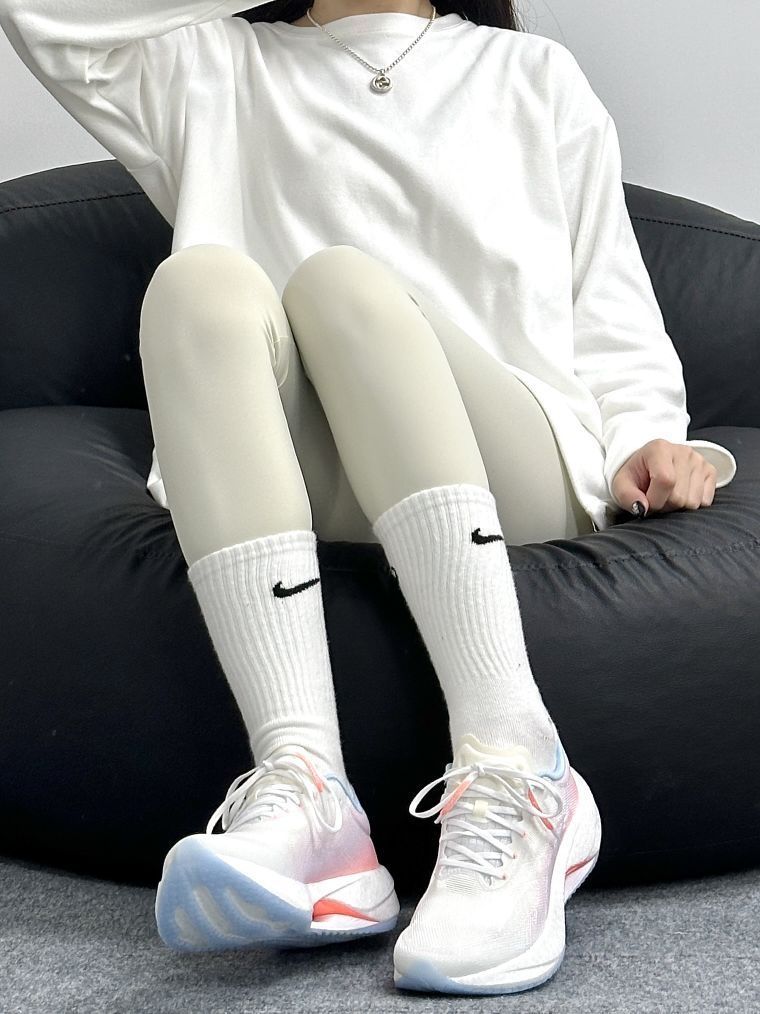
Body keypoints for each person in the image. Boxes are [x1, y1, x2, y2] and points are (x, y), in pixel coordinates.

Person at [0, 0, 738, 996]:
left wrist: (646, 435)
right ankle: (310, 799)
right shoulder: (211, 66)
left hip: (505, 467)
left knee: (341, 284)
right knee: (195, 287)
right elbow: (43, 17)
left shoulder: (530, 76)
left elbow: (609, 302)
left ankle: (520, 761)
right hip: (300, 485)